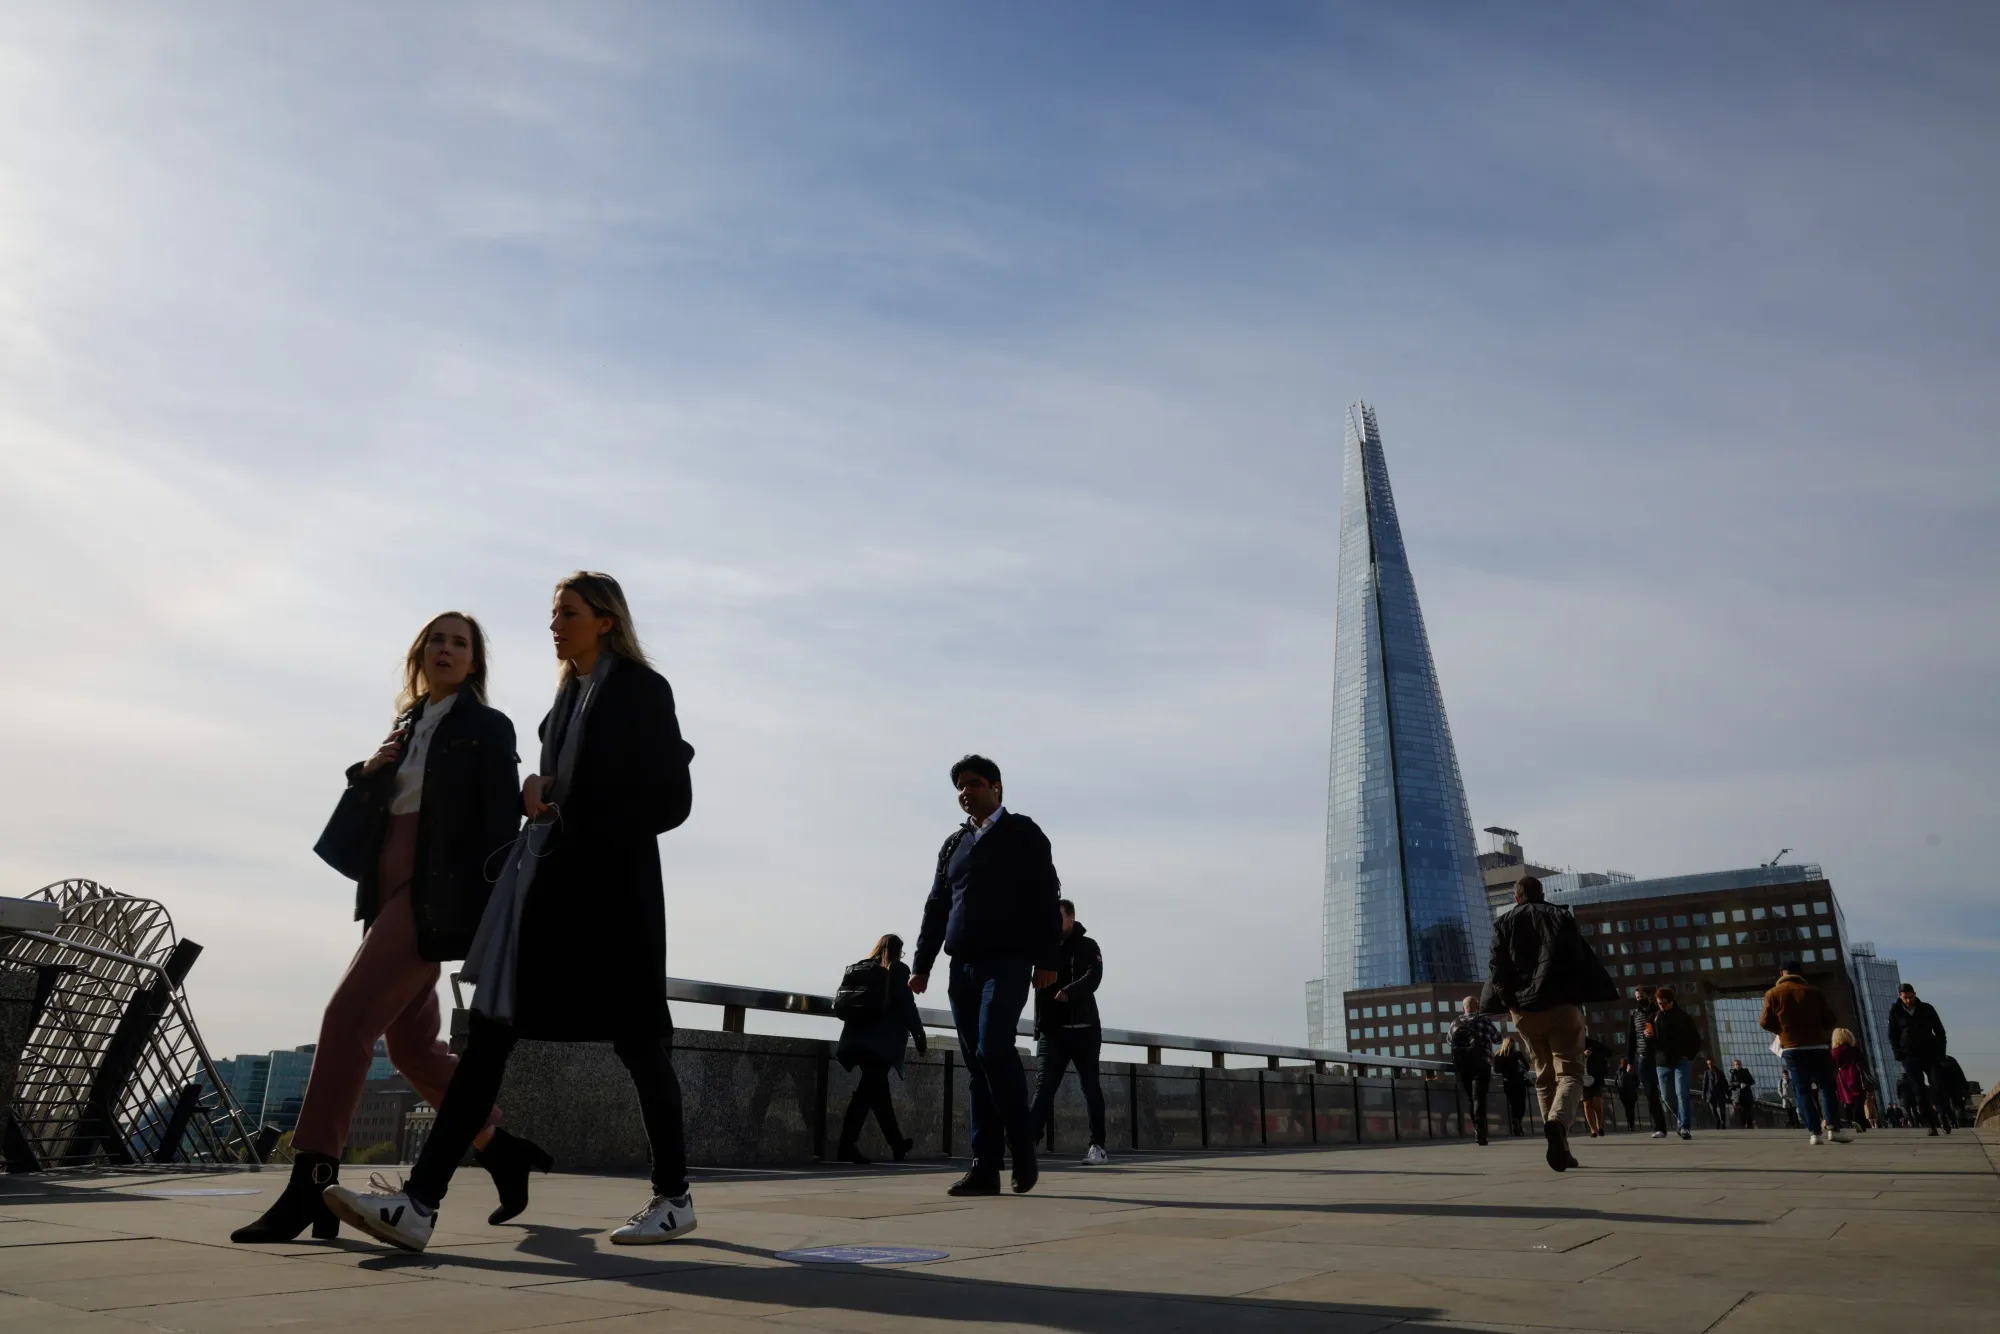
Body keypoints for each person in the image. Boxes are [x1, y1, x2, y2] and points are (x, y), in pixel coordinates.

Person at [327, 572, 698, 1251]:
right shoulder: (561, 706)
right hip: (555, 895)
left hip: (615, 902)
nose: (555, 624)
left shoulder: (642, 690)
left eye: (569, 613)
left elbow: (672, 801)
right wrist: (543, 793)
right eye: (554, 612)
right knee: (492, 1033)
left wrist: (567, 799)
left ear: (606, 621)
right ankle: (419, 1205)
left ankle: (673, 1197)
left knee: (642, 1047)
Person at [232, 612, 545, 1244]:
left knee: (346, 1018)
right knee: (410, 1048)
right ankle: (497, 1143)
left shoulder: (487, 727)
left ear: (475, 663)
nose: (448, 649)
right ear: (420, 654)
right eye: (439, 639)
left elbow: (495, 828)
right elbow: (387, 810)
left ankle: (311, 1180)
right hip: (384, 887)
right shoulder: (404, 727)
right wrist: (369, 771)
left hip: (434, 895)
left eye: (461, 643)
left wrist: (473, 913)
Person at [911, 755, 1063, 1197]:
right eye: (960, 786)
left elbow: (1045, 897)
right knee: (978, 1065)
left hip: (1009, 962)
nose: (965, 792)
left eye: (974, 784)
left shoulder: (1024, 833)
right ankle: (985, 1165)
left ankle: (1022, 1145)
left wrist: (1047, 958)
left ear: (997, 788)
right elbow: (937, 905)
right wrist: (922, 964)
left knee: (994, 1046)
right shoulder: (952, 845)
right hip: (964, 969)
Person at [1485, 875, 1619, 1172]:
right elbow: (1578, 961)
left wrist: (1510, 1004)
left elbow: (1497, 968)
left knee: (1544, 1075)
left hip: (1523, 1010)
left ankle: (1560, 1146)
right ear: (1542, 893)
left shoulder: (1503, 923)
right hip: (1560, 1005)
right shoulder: (1559, 915)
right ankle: (1558, 1123)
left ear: (1517, 898)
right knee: (1570, 1072)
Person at [833, 934, 928, 1164]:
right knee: (867, 1094)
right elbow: (908, 1005)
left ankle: (897, 1145)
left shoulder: (863, 967)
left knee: (878, 1094)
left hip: (856, 1040)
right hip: (880, 1045)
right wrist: (919, 1035)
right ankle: (846, 1145)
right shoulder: (896, 970)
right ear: (897, 952)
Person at [1029, 899, 1109, 1165]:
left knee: (1090, 1088)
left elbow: (1094, 976)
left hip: (1084, 1031)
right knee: (1043, 1089)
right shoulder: (1044, 948)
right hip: (1053, 1033)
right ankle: (1028, 1144)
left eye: (1058, 918)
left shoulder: (1088, 946)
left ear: (1071, 919)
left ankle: (1098, 1147)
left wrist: (1069, 992)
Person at [1759, 959, 1848, 1145]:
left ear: (1781, 973)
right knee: (1826, 1087)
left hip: (1792, 1048)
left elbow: (1765, 1022)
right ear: (1799, 973)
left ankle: (1815, 1133)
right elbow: (1830, 1019)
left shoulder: (1773, 993)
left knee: (1803, 1090)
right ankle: (1834, 1128)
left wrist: (1783, 1031)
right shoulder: (1814, 992)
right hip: (1817, 1046)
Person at [1888, 983, 1951, 1136]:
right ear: (1900, 996)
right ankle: (1931, 1124)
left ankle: (1943, 1114)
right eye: (1905, 997)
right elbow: (1892, 1035)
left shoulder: (1927, 1009)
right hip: (1909, 1056)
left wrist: (1940, 1052)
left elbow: (1940, 1032)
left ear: (1915, 994)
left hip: (1930, 1053)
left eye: (1910, 997)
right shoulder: (1895, 1012)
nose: (1908, 1000)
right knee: (1919, 1090)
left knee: (1937, 1084)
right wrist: (1898, 1053)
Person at [1647, 985, 1702, 1141]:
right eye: (1659, 1003)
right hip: (1662, 1062)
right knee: (1667, 1097)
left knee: (1682, 1094)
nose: (1661, 1006)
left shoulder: (1683, 1017)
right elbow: (1650, 1041)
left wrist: (1689, 1055)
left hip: (1681, 1061)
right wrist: (1648, 1037)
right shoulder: (1654, 1017)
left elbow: (1695, 1039)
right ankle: (1681, 1120)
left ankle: (1684, 1127)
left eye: (1664, 1003)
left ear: (1672, 1002)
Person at [1447, 997, 1500, 1146]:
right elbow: (1498, 1039)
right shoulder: (1484, 1021)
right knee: (1479, 1098)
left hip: (1463, 1065)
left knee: (1471, 1098)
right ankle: (1481, 1131)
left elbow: (1449, 1040)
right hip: (1481, 1063)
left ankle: (1476, 1129)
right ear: (1477, 1007)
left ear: (1463, 1008)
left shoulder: (1455, 1022)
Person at [1626, 986, 1668, 1137]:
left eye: (1641, 996)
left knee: (1667, 1091)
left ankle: (1680, 1121)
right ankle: (1660, 1127)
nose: (1639, 999)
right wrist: (1630, 1061)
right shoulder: (1635, 1014)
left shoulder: (1658, 1012)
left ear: (1648, 996)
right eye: (1637, 997)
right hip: (1643, 1057)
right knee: (1650, 1093)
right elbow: (1631, 1039)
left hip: (1659, 1055)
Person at [1831, 1029, 1868, 1134]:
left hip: (1842, 1077)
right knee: (1859, 1098)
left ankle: (1850, 1119)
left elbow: (1832, 1066)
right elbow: (1863, 1062)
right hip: (1855, 1074)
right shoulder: (1854, 1049)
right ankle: (1859, 1121)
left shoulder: (1835, 1052)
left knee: (1847, 1100)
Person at [1494, 1036, 1532, 1137]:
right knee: (1521, 1105)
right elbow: (1527, 1068)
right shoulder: (1517, 1054)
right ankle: (1518, 1121)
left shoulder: (1499, 1055)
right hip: (1519, 1083)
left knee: (1512, 1104)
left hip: (1507, 1083)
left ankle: (1515, 1121)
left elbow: (1496, 1070)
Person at [1581, 1036, 1611, 1137]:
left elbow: (1608, 1051)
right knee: (1587, 1104)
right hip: (1582, 1079)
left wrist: (1592, 1052)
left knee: (1597, 1103)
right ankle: (1593, 1129)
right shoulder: (1572, 1045)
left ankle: (1600, 1125)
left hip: (1595, 1077)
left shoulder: (1593, 1043)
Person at [1699, 1059, 1730, 1131]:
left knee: (1722, 1108)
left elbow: (1725, 1083)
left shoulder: (1720, 1072)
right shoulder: (1706, 1073)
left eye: (1711, 1063)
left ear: (1714, 1063)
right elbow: (1705, 1084)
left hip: (1720, 1093)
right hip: (1711, 1094)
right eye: (1709, 1064)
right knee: (1713, 1109)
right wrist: (1703, 1094)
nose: (1710, 1065)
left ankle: (1723, 1122)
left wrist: (1728, 1093)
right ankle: (1718, 1120)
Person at [1728, 1059, 1756, 1128]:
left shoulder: (1745, 1071)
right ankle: (1744, 1123)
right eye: (1736, 1064)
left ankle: (1750, 1124)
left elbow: (1752, 1081)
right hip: (1738, 1094)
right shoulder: (1733, 1072)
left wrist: (1746, 1084)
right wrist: (1739, 1084)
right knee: (1742, 1110)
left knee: (1749, 1109)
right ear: (1734, 1065)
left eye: (1739, 1064)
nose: (1737, 1066)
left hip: (1747, 1093)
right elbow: (1730, 1082)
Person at [1616, 1060, 1641, 1132]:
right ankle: (1631, 1124)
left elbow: (1616, 1082)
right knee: (1631, 1109)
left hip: (1623, 1093)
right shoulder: (1632, 1071)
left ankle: (1629, 1123)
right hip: (1631, 1093)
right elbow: (1637, 1083)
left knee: (1627, 1109)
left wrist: (1619, 1089)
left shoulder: (1619, 1071)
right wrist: (1633, 1087)